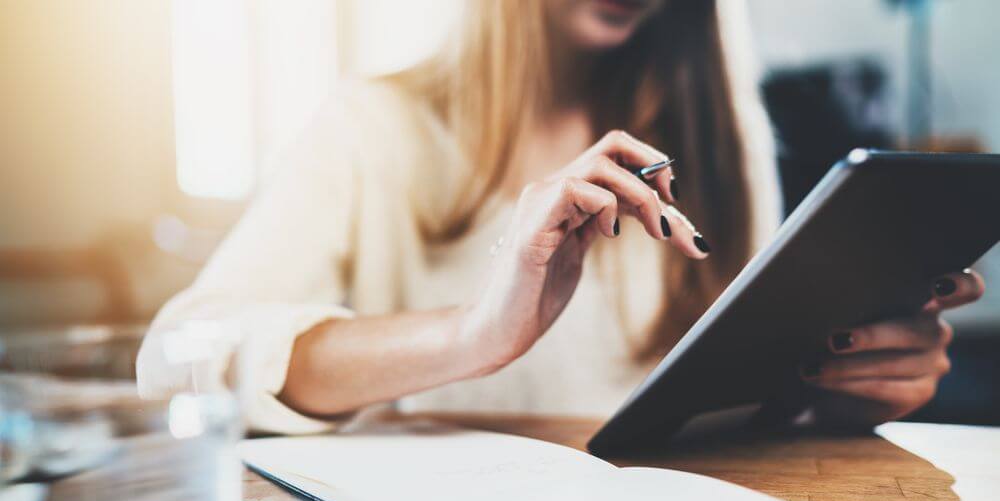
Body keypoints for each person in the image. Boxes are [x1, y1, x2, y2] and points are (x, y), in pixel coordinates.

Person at [138, 0, 984, 434]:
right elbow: (176, 358)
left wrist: (839, 395)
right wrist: (469, 334)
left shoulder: (720, 148)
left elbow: (731, 411)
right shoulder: (370, 129)